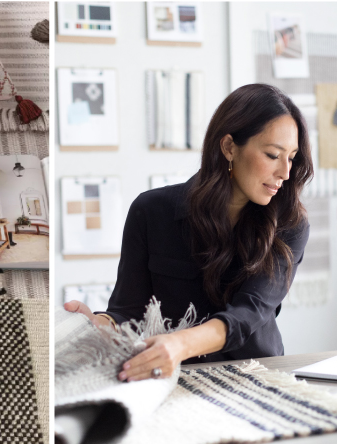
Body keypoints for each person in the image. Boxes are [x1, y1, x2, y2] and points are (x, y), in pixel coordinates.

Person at [65, 83, 313, 382]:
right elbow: (127, 311)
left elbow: (249, 313)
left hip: (257, 378)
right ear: (229, 147)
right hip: (173, 380)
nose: (285, 172)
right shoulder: (151, 210)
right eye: (273, 155)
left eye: (292, 157)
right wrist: (95, 324)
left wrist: (180, 343)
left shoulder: (290, 223)